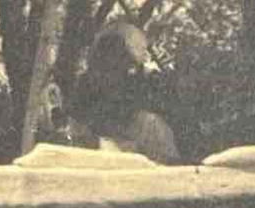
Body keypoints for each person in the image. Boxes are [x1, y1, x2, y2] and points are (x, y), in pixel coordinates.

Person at [67, 17, 183, 163]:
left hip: (122, 142)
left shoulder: (133, 79)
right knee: (151, 125)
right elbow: (78, 124)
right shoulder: (87, 82)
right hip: (97, 147)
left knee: (152, 125)